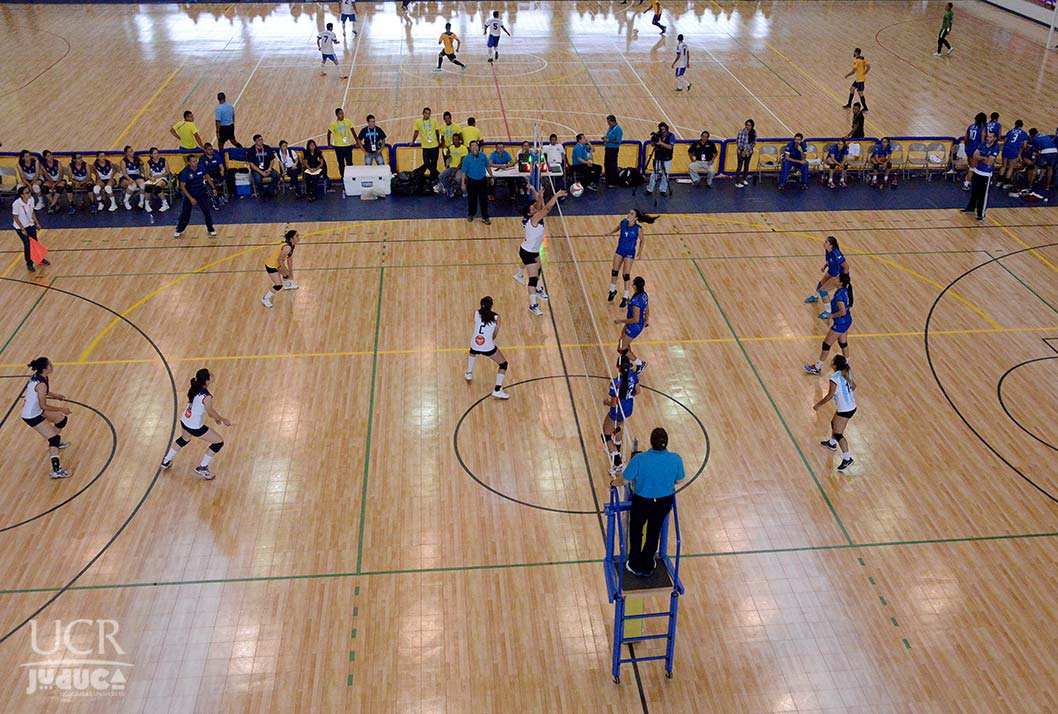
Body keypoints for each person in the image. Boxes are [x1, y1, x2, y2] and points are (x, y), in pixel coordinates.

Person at [611, 427, 685, 577]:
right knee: (654, 530)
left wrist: (613, 483)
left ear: (651, 442)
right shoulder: (676, 458)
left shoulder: (640, 459)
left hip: (642, 501)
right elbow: (679, 479)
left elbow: (625, 479)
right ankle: (648, 563)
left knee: (636, 529)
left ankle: (634, 563)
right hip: (664, 502)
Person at [161, 368, 233, 480]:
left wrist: (216, 419)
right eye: (211, 375)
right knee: (218, 442)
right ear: (207, 380)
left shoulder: (195, 387)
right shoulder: (207, 397)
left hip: (185, 419)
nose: (213, 375)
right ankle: (202, 467)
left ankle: (166, 461)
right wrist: (222, 419)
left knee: (184, 439)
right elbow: (210, 412)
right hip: (194, 426)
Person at [514, 185, 565, 314]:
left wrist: (540, 195)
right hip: (528, 252)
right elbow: (546, 208)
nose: (535, 208)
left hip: (532, 249)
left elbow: (540, 205)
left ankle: (521, 276)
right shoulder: (534, 219)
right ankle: (533, 306)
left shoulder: (533, 216)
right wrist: (556, 196)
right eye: (532, 208)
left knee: (538, 270)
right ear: (529, 213)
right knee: (533, 279)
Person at [21, 357, 72, 480]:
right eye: (50, 365)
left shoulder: (40, 377)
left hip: (36, 411)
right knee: (53, 438)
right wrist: (61, 408)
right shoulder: (41, 384)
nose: (52, 366)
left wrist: (56, 395)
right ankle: (56, 470)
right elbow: (43, 405)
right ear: (45, 368)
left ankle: (55, 444)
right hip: (32, 416)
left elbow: (43, 392)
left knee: (61, 419)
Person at [804, 272, 853, 376]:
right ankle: (847, 364)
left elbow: (842, 311)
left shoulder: (839, 294)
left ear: (840, 283)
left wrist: (832, 316)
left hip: (840, 323)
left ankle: (817, 367)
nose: (835, 278)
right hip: (847, 320)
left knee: (826, 344)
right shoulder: (845, 290)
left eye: (837, 278)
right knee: (843, 343)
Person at [815, 354, 857, 472]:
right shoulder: (847, 372)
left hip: (845, 409)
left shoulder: (834, 378)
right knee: (834, 422)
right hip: (851, 406)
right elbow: (854, 386)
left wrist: (819, 404)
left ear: (834, 365)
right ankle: (832, 443)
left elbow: (829, 395)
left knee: (838, 433)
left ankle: (847, 458)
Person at [607, 209, 657, 305]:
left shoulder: (638, 228)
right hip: (620, 249)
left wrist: (640, 252)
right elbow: (618, 228)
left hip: (629, 252)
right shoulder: (623, 222)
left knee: (626, 275)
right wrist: (610, 232)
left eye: (632, 214)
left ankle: (626, 296)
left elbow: (642, 240)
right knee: (614, 271)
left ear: (636, 218)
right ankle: (612, 290)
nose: (629, 214)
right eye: (629, 213)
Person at [465, 296, 510, 399]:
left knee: (473, 352)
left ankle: (469, 373)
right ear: (491, 306)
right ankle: (497, 390)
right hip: (488, 347)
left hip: (475, 343)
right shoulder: (496, 317)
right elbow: (494, 335)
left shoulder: (476, 313)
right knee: (503, 364)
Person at [603, 355, 640, 472]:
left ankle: (617, 461)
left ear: (618, 367)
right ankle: (617, 450)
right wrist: (627, 397)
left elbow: (613, 404)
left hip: (617, 412)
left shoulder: (615, 383)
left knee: (606, 434)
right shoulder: (633, 375)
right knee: (617, 427)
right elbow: (637, 391)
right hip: (629, 408)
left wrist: (606, 402)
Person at [173, 154, 217, 239]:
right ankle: (179, 229)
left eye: (196, 161)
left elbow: (207, 176)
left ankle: (210, 228)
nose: (195, 163)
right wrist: (191, 198)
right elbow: (182, 187)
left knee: (206, 211)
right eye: (193, 161)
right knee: (185, 213)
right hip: (189, 194)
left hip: (200, 193)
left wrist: (213, 187)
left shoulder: (201, 167)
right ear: (188, 163)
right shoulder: (185, 172)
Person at [805, 236, 849, 319]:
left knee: (823, 291)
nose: (824, 243)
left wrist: (840, 278)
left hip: (837, 275)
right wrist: (824, 266)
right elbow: (829, 260)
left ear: (831, 245)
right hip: (831, 271)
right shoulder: (828, 250)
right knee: (820, 284)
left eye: (826, 242)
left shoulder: (837, 254)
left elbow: (846, 267)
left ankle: (828, 312)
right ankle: (815, 297)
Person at [961, 130, 999, 221]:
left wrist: (981, 158)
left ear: (994, 138)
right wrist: (984, 158)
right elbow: (975, 156)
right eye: (987, 136)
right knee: (974, 192)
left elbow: (989, 162)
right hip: (977, 171)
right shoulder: (982, 144)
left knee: (983, 195)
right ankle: (970, 208)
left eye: (990, 137)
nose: (988, 138)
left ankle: (981, 214)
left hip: (986, 174)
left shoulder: (995, 148)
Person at [615, 275, 649, 372]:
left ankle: (640, 363)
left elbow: (635, 319)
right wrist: (646, 320)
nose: (632, 283)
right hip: (634, 325)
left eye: (633, 282)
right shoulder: (644, 295)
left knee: (621, 348)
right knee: (622, 341)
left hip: (634, 327)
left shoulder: (636, 301)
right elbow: (647, 308)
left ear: (635, 286)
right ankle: (628, 361)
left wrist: (620, 321)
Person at [12, 186, 48, 273]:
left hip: (30, 224)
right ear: (21, 195)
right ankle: (29, 263)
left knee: (35, 242)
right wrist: (22, 228)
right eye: (26, 193)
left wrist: (37, 223)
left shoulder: (31, 200)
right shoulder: (16, 204)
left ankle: (40, 258)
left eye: (29, 192)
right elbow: (15, 217)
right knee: (27, 244)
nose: (29, 194)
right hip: (21, 227)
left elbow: (32, 212)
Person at [261, 229, 300, 308]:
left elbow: (289, 258)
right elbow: (280, 260)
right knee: (278, 285)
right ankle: (265, 298)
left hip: (277, 264)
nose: (299, 237)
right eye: (297, 236)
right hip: (271, 266)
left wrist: (290, 271)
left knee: (286, 274)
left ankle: (287, 285)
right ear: (291, 238)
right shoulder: (287, 247)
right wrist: (285, 269)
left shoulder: (292, 245)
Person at [461, 140, 494, 224]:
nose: (475, 147)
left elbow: (488, 167)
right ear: (470, 148)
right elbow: (464, 172)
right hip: (471, 182)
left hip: (482, 180)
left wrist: (492, 177)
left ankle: (485, 217)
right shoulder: (466, 158)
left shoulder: (483, 156)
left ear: (478, 147)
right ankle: (471, 214)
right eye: (472, 146)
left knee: (484, 199)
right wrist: (463, 184)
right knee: (472, 199)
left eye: (476, 146)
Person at [412, 107, 441, 181]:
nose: (427, 115)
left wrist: (439, 141)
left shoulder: (434, 121)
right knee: (427, 163)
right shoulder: (418, 122)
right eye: (426, 113)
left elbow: (437, 132)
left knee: (434, 164)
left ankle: (433, 179)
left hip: (434, 146)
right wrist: (413, 141)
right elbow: (416, 132)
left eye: (429, 114)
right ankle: (439, 175)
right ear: (423, 113)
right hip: (425, 147)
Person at [645, 122, 675, 195]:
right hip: (658, 157)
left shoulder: (671, 136)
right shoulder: (658, 134)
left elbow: (670, 147)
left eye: (664, 129)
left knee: (665, 174)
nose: (662, 131)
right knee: (654, 174)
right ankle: (650, 189)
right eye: (661, 129)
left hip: (667, 158)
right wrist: (653, 141)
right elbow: (652, 144)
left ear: (666, 129)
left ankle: (663, 190)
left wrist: (661, 143)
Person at [998, 120, 1028, 190]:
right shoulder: (1024, 133)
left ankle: (999, 181)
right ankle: (1006, 183)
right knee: (1011, 167)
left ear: (1015, 124)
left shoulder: (1010, 131)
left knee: (1003, 166)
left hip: (1006, 149)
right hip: (1014, 151)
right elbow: (1024, 146)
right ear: (1021, 126)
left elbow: (1005, 141)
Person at [328, 107, 356, 179]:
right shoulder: (333, 124)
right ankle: (343, 177)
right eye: (340, 114)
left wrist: (357, 141)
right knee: (341, 164)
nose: (342, 115)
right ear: (337, 115)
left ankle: (350, 177)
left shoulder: (348, 121)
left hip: (348, 146)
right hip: (339, 147)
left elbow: (353, 132)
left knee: (349, 163)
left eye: (342, 113)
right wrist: (329, 144)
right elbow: (328, 133)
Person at [248, 134, 279, 199]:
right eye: (259, 140)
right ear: (255, 141)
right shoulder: (251, 150)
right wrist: (261, 172)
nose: (261, 141)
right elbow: (252, 165)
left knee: (277, 176)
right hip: (257, 170)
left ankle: (270, 191)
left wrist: (269, 169)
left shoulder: (267, 148)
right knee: (258, 180)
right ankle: (262, 192)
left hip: (267, 169)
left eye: (261, 139)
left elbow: (272, 160)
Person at [439, 133, 468, 198]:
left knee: (458, 178)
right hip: (452, 167)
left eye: (456, 139)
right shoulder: (451, 147)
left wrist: (455, 171)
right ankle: (451, 189)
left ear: (460, 140)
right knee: (441, 176)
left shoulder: (464, 149)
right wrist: (447, 152)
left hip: (460, 168)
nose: (455, 141)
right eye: (454, 140)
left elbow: (462, 162)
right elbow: (447, 156)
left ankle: (464, 190)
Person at [962, 112, 986, 190]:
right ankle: (966, 183)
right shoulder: (982, 129)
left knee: (970, 165)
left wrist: (966, 146)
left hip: (968, 148)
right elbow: (982, 142)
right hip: (975, 150)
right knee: (973, 168)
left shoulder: (971, 126)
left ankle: (970, 180)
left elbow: (965, 138)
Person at [144, 147, 171, 213]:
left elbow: (168, 172)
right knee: (147, 187)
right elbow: (147, 174)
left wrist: (160, 176)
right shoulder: (148, 163)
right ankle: (146, 204)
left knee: (158, 187)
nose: (157, 155)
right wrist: (151, 178)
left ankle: (165, 204)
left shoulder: (164, 160)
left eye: (157, 153)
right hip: (154, 179)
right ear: (151, 155)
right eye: (155, 153)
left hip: (163, 178)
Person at [120, 146, 146, 211]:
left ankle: (141, 201)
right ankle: (126, 201)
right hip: (126, 176)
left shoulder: (136, 158)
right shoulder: (123, 161)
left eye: (132, 150)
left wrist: (140, 161)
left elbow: (142, 163)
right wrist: (129, 179)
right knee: (132, 185)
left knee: (142, 183)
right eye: (130, 151)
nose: (132, 152)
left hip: (136, 176)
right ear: (126, 153)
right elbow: (124, 173)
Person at [39, 150, 65, 215]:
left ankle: (52, 205)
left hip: (59, 179)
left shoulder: (58, 162)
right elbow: (46, 175)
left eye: (51, 155)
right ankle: (55, 203)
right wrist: (52, 183)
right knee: (44, 189)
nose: (50, 157)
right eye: (48, 156)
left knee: (60, 188)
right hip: (50, 180)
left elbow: (61, 175)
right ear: (45, 157)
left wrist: (55, 184)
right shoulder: (43, 165)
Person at [734, 119, 756, 188]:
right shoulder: (741, 132)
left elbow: (753, 143)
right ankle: (737, 182)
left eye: (749, 125)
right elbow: (738, 142)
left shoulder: (754, 132)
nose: (748, 126)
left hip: (749, 152)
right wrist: (742, 151)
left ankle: (744, 179)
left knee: (746, 166)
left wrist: (747, 151)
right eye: (747, 125)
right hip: (741, 152)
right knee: (739, 167)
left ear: (752, 126)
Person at [602, 115, 623, 186]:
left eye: (609, 122)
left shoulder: (618, 130)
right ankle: (608, 179)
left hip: (613, 150)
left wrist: (608, 140)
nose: (608, 123)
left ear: (613, 121)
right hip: (608, 149)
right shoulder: (610, 128)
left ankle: (613, 182)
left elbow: (618, 141)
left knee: (612, 166)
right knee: (607, 164)